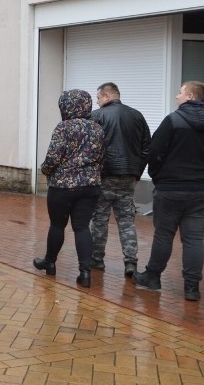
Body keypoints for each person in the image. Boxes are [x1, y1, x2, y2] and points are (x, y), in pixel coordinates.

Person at [133, 81, 204, 301]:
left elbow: (155, 152)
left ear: (191, 96)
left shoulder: (173, 121)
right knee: (194, 239)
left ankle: (153, 277)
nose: (177, 96)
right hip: (201, 190)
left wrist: (158, 176)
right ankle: (192, 288)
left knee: (164, 235)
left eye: (180, 92)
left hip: (171, 188)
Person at [33, 89, 105, 288]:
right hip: (90, 185)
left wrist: (46, 170)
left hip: (63, 186)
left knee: (57, 225)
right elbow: (102, 158)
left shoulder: (63, 128)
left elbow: (53, 158)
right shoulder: (97, 128)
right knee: (81, 227)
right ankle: (85, 272)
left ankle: (50, 263)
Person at [89, 82, 151, 277]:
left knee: (100, 219)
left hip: (104, 176)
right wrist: (136, 173)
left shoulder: (97, 116)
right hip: (128, 177)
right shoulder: (137, 116)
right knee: (126, 221)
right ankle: (130, 262)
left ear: (107, 96)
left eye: (98, 98)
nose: (97, 102)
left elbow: (90, 148)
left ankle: (97, 259)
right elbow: (146, 148)